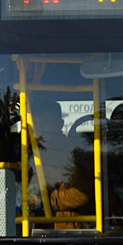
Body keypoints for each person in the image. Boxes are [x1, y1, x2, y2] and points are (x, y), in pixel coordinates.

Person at [26, 97, 92, 227]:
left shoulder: (70, 151)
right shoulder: (32, 152)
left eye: (45, 123)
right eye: (36, 124)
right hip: (36, 225)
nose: (39, 129)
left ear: (60, 124)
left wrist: (50, 199)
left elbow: (81, 193)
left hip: (63, 230)